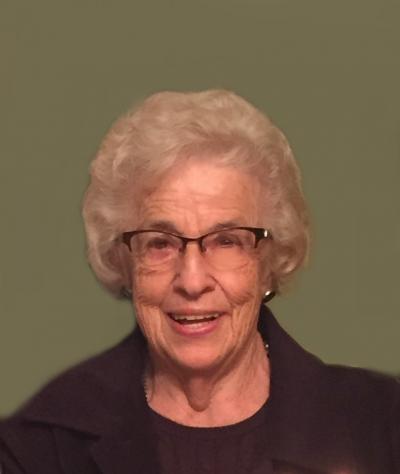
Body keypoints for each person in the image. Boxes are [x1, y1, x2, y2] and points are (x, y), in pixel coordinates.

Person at [0, 90, 399, 474]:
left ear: (268, 260)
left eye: (227, 241)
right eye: (160, 243)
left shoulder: (382, 428)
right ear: (124, 261)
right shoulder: (41, 448)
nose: (192, 281)